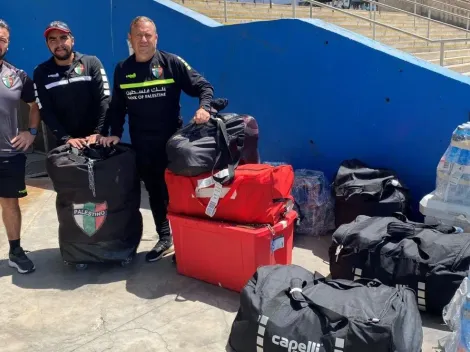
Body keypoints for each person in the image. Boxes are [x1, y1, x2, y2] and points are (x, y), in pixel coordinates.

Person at [100, 16, 214, 263]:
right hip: (142, 143)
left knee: (180, 192)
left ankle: (187, 239)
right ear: (129, 39)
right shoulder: (122, 69)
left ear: (156, 37)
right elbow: (117, 107)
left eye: (148, 35)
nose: (143, 40)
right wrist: (115, 133)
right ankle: (165, 237)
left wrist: (204, 108)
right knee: (154, 191)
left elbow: (204, 87)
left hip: (174, 144)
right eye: (138, 35)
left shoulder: (171, 62)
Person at [0, 19, 41, 274]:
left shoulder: (17, 76)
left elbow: (34, 106)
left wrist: (31, 132)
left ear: (7, 43)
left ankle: (15, 250)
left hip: (8, 154)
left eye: (2, 39)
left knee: (10, 203)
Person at [33, 21, 110, 148]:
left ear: (72, 40)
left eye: (63, 38)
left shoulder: (91, 63)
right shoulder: (41, 72)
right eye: (53, 40)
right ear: (47, 44)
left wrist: (99, 133)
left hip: (97, 140)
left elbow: (105, 99)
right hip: (65, 144)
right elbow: (45, 110)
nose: (59, 44)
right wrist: (65, 138)